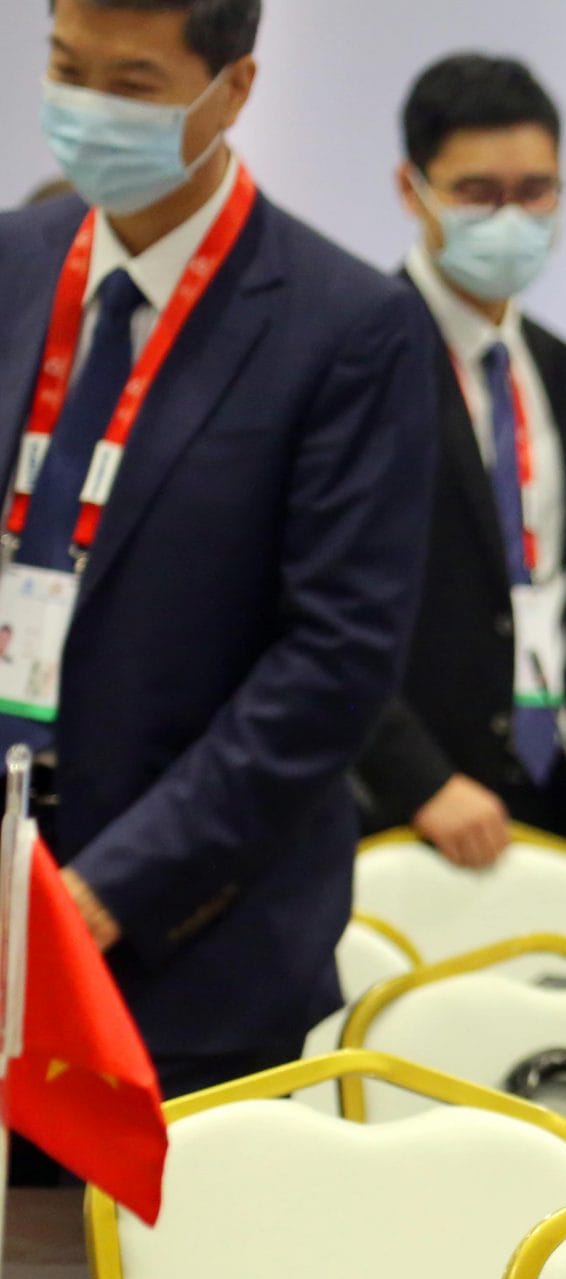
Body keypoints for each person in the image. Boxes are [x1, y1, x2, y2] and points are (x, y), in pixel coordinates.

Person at [2, 0, 431, 1096]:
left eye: (133, 85)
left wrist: (110, 892)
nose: (88, 109)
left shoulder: (347, 327)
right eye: (66, 68)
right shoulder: (14, 264)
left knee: (147, 1269)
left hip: (186, 952)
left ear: (231, 89)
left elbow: (332, 663)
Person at [355, 53, 566, 865]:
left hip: (545, 787)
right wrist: (416, 778)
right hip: (395, 803)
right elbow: (309, 603)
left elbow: (557, 586)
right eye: (477, 193)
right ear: (411, 189)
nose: (510, 218)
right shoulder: (353, 353)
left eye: (535, 192)